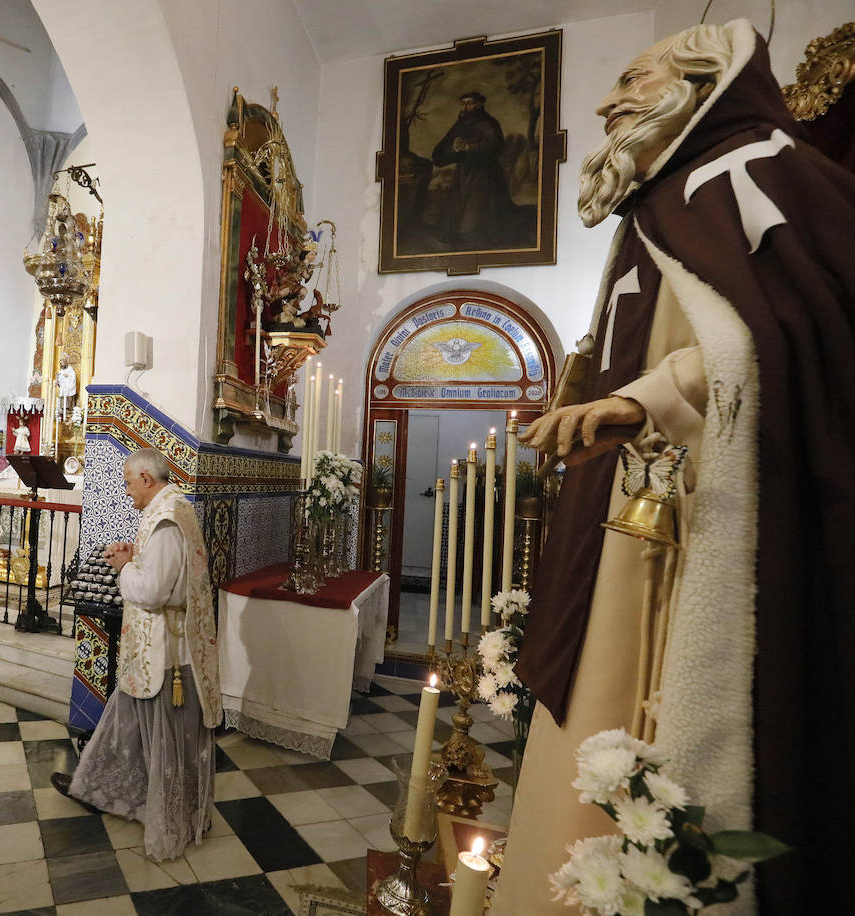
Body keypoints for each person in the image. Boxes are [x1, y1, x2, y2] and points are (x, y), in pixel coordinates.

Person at [493, 21, 855, 915]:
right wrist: (586, 394)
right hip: (626, 513)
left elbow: (788, 341)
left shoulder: (764, 171)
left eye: (627, 77)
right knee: (596, 702)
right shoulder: (658, 201)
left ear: (701, 82)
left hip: (710, 516)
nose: (607, 101)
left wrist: (642, 401)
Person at [51, 447, 223, 862]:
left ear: (146, 478)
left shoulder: (165, 521)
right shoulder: (175, 508)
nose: (128, 493)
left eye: (129, 484)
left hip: (163, 654)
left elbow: (151, 592)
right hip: (155, 650)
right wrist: (134, 560)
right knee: (126, 723)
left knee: (164, 738)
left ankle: (172, 817)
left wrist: (124, 568)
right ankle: (97, 789)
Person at [430, 90, 517, 248]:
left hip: (485, 175)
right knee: (456, 220)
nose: (465, 107)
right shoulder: (459, 126)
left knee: (476, 222)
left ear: (479, 104)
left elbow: (495, 146)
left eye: (469, 103)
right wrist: (454, 150)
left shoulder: (489, 123)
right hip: (462, 176)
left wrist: (468, 147)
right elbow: (439, 154)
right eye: (463, 104)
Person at [56, 353, 77, 421]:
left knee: (69, 398)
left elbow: (73, 377)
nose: (61, 363)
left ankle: (69, 410)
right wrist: (58, 379)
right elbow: (60, 378)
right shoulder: (61, 370)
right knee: (63, 400)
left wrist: (67, 376)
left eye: (62, 361)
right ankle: (63, 410)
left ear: (65, 361)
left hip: (68, 388)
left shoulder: (70, 369)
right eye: (60, 361)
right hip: (63, 388)